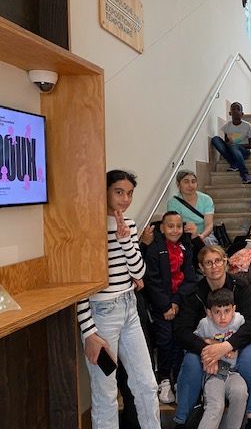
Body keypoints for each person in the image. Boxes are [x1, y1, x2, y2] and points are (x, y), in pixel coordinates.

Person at [76, 170, 160, 429]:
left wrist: (125, 241)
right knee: (106, 392)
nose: (125, 199)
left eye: (130, 193)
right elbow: (80, 284)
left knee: (147, 384)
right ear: (105, 192)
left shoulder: (130, 225)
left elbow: (139, 272)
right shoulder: (88, 227)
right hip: (101, 315)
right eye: (119, 192)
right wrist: (89, 333)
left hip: (129, 308)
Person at [173, 245, 251, 429]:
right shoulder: (194, 293)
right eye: (208, 263)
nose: (214, 266)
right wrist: (207, 349)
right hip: (204, 346)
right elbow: (181, 331)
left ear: (225, 262)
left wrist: (227, 345)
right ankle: (182, 420)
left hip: (236, 346)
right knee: (190, 361)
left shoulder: (240, 286)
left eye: (218, 261)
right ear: (201, 267)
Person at [143, 211, 198, 404]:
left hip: (179, 304)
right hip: (161, 308)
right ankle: (164, 378)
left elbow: (190, 278)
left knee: (179, 341)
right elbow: (152, 280)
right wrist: (166, 306)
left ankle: (178, 380)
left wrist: (176, 302)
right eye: (170, 226)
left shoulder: (185, 247)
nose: (175, 230)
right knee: (165, 341)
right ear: (162, 228)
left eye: (178, 226)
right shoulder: (155, 249)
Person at [193, 288, 248, 429]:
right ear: (209, 312)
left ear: (233, 309)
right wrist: (211, 342)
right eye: (217, 312)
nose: (223, 317)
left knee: (241, 393)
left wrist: (235, 347)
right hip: (213, 374)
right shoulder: (205, 324)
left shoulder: (239, 320)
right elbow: (193, 342)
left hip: (233, 372)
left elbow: (249, 334)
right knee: (216, 405)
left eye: (227, 311)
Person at [167, 170, 217, 245]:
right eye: (186, 182)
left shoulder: (206, 199)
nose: (190, 185)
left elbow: (209, 224)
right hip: (184, 236)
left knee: (208, 247)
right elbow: (176, 225)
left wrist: (201, 236)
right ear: (178, 185)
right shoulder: (173, 202)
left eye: (193, 182)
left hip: (204, 235)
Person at [211, 101, 251, 184]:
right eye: (233, 109)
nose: (236, 111)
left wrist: (236, 145)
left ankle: (245, 174)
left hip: (244, 151)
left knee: (234, 146)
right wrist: (229, 144)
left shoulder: (247, 126)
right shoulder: (227, 126)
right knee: (215, 139)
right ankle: (234, 163)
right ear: (230, 113)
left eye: (238, 109)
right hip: (232, 150)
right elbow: (226, 142)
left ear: (242, 113)